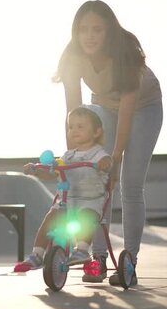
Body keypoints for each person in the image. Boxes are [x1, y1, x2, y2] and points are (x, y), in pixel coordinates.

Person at [53, 0, 163, 286]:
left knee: (128, 182)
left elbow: (127, 113)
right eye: (83, 29)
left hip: (143, 108)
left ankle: (130, 263)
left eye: (97, 30)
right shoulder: (72, 58)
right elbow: (74, 115)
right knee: (96, 179)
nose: (89, 36)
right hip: (103, 106)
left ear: (109, 32)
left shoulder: (126, 54)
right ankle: (98, 260)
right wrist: (74, 159)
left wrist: (113, 159)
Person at [15, 107, 112, 272]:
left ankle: (81, 250)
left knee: (85, 217)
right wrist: (36, 169)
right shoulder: (68, 156)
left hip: (91, 201)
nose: (74, 130)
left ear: (96, 132)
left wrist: (104, 163)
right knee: (50, 219)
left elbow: (107, 162)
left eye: (80, 126)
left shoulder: (98, 154)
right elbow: (52, 172)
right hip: (67, 201)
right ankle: (37, 254)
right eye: (71, 126)